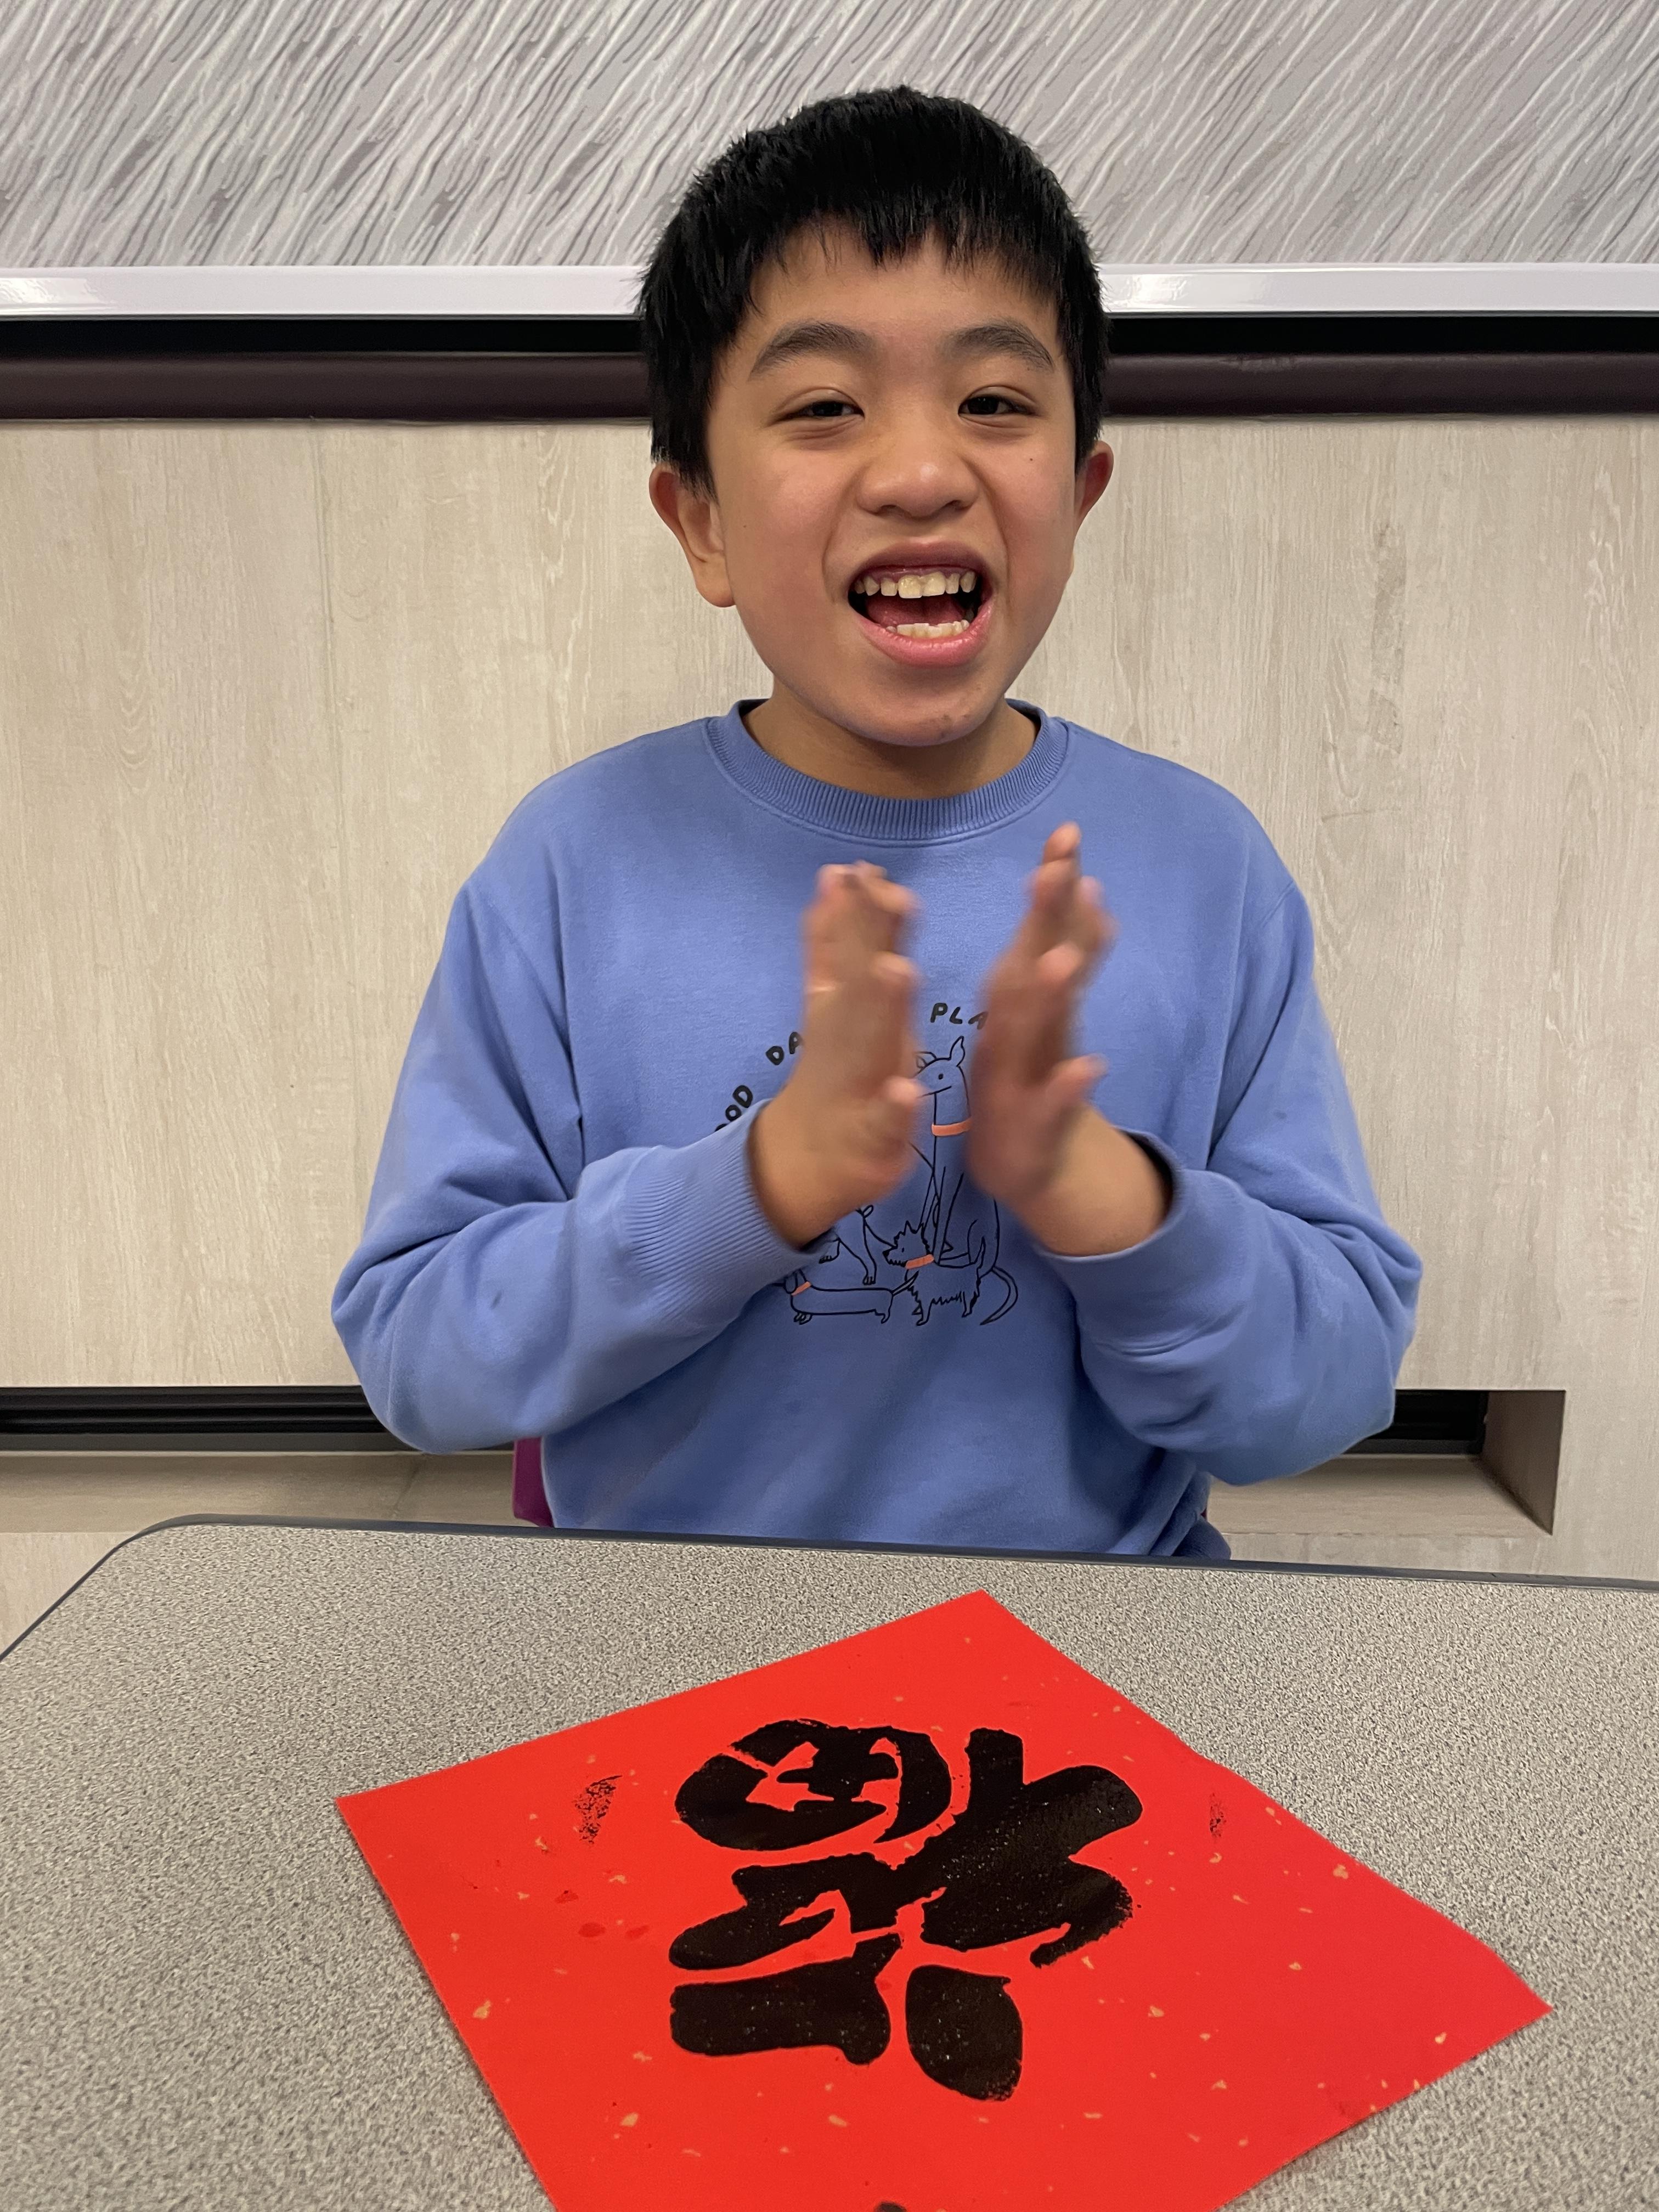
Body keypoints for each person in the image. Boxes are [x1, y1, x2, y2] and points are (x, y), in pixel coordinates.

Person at [331, 87, 1421, 1560]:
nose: (920, 473)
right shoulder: (573, 863)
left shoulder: (1203, 866)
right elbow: (419, 1351)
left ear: (1081, 491)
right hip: (674, 1654)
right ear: (701, 521)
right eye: (824, 407)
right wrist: (758, 1183)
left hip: (1095, 1648)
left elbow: (1334, 1386)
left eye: (996, 401)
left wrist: (1103, 1196)